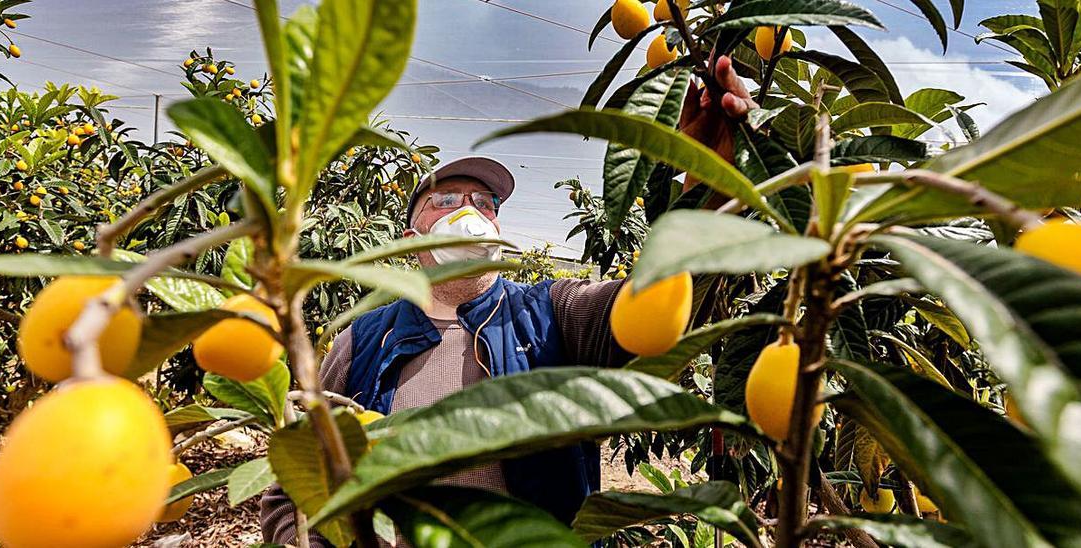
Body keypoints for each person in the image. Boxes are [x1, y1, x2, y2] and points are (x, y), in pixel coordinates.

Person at [259, 54, 755, 546]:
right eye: (446, 201)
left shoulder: (553, 315)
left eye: (484, 203)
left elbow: (662, 301)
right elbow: (291, 488)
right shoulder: (362, 341)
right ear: (411, 237)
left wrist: (706, 183)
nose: (469, 212)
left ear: (498, 228)